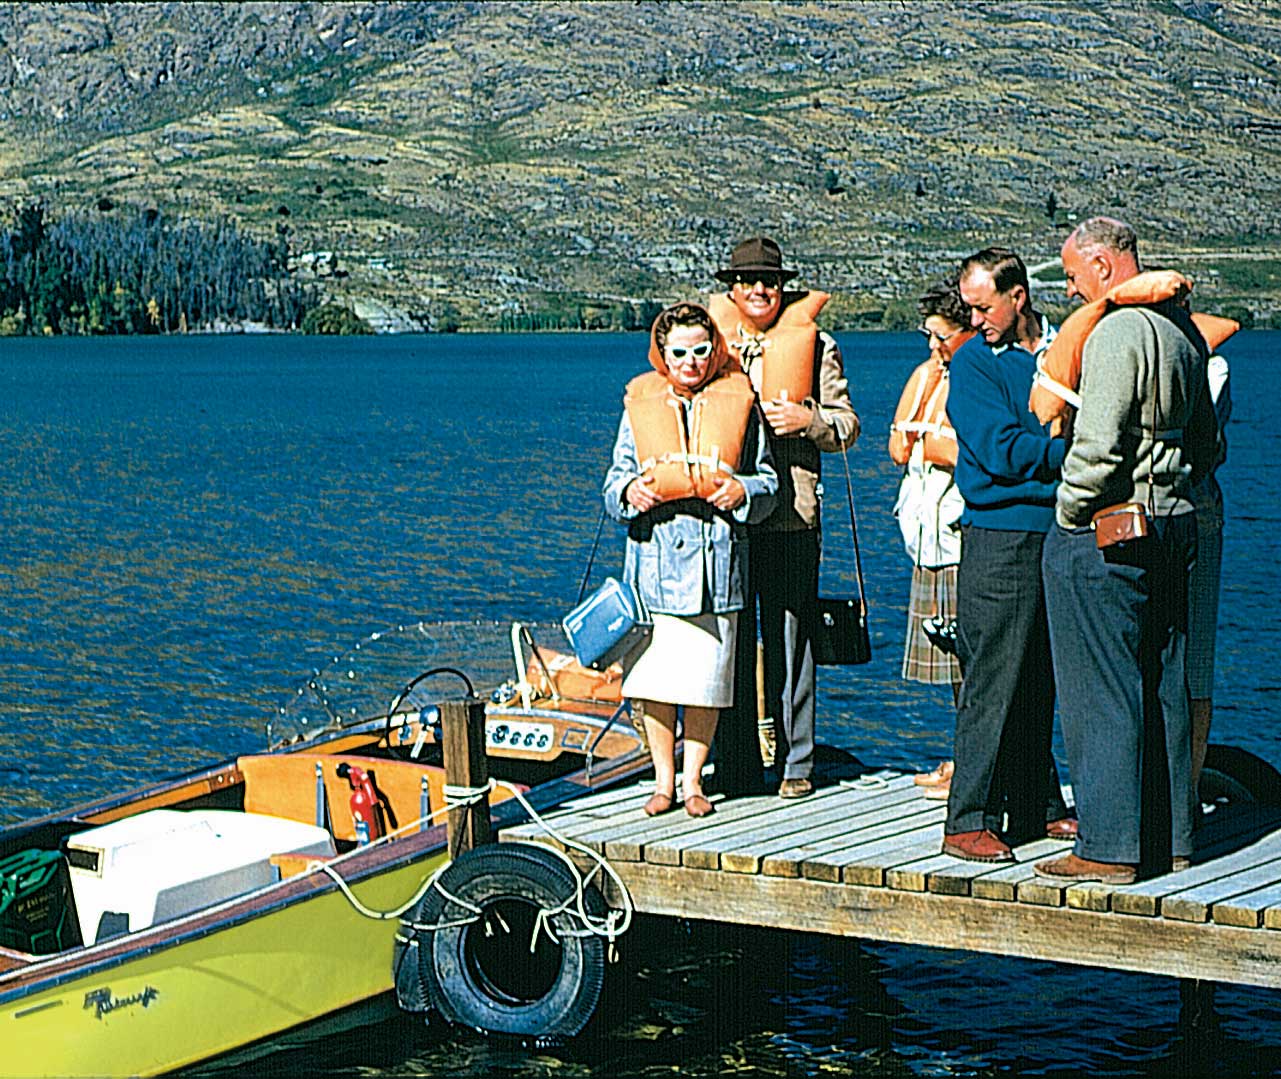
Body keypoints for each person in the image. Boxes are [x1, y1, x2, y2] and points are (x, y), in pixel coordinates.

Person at [1034, 218, 1217, 884]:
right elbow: (1208, 444)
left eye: (1073, 273)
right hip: (1176, 523)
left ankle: (1107, 847)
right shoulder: (1182, 330)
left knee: (1100, 689)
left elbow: (1098, 444)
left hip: (1109, 530)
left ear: (1103, 264)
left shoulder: (1115, 332)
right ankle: (1171, 837)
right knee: (1164, 680)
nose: (1070, 287)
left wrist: (1067, 512)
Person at [603, 302, 777, 818]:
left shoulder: (742, 402)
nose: (691, 361)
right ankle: (662, 782)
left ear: (714, 350)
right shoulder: (639, 404)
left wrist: (739, 491)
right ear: (662, 353)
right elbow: (614, 481)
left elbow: (768, 481)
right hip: (653, 568)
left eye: (702, 351)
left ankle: (695, 782)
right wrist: (630, 491)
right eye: (679, 351)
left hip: (715, 570)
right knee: (655, 683)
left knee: (705, 683)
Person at [706, 237, 859, 799]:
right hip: (726, 518)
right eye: (747, 281)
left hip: (792, 516)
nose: (758, 290)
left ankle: (797, 764)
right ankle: (738, 764)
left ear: (782, 286)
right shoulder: (711, 342)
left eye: (768, 281)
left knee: (792, 641)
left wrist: (807, 419)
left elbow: (847, 425)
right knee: (731, 640)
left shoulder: (818, 346)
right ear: (732, 287)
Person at [941, 247, 1073, 863]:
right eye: (968, 308)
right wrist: (1068, 457)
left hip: (1059, 532)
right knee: (992, 678)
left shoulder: (1064, 349)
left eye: (984, 306)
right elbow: (999, 451)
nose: (976, 319)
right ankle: (967, 817)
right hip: (998, 539)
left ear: (1017, 296)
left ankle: (1037, 803)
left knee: (1042, 674)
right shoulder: (973, 363)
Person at [890, 280, 974, 801]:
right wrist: (924, 439)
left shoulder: (979, 375)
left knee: (974, 660)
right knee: (950, 663)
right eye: (929, 335)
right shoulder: (927, 375)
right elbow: (899, 443)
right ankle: (964, 755)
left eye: (940, 337)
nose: (932, 347)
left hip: (962, 539)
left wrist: (930, 441)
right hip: (927, 541)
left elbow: (966, 451)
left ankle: (976, 765)